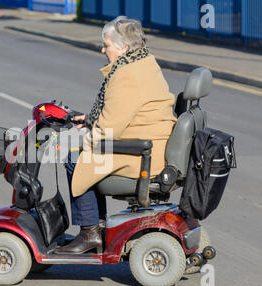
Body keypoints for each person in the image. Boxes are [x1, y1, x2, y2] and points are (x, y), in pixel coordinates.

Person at [54, 16, 177, 254]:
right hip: (151, 144)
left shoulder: (126, 75)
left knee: (74, 159)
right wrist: (90, 121)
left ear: (123, 48)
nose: (103, 49)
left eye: (107, 45)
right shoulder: (145, 62)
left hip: (140, 153)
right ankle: (96, 228)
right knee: (81, 155)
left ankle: (90, 233)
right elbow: (126, 112)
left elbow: (109, 129)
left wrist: (85, 143)